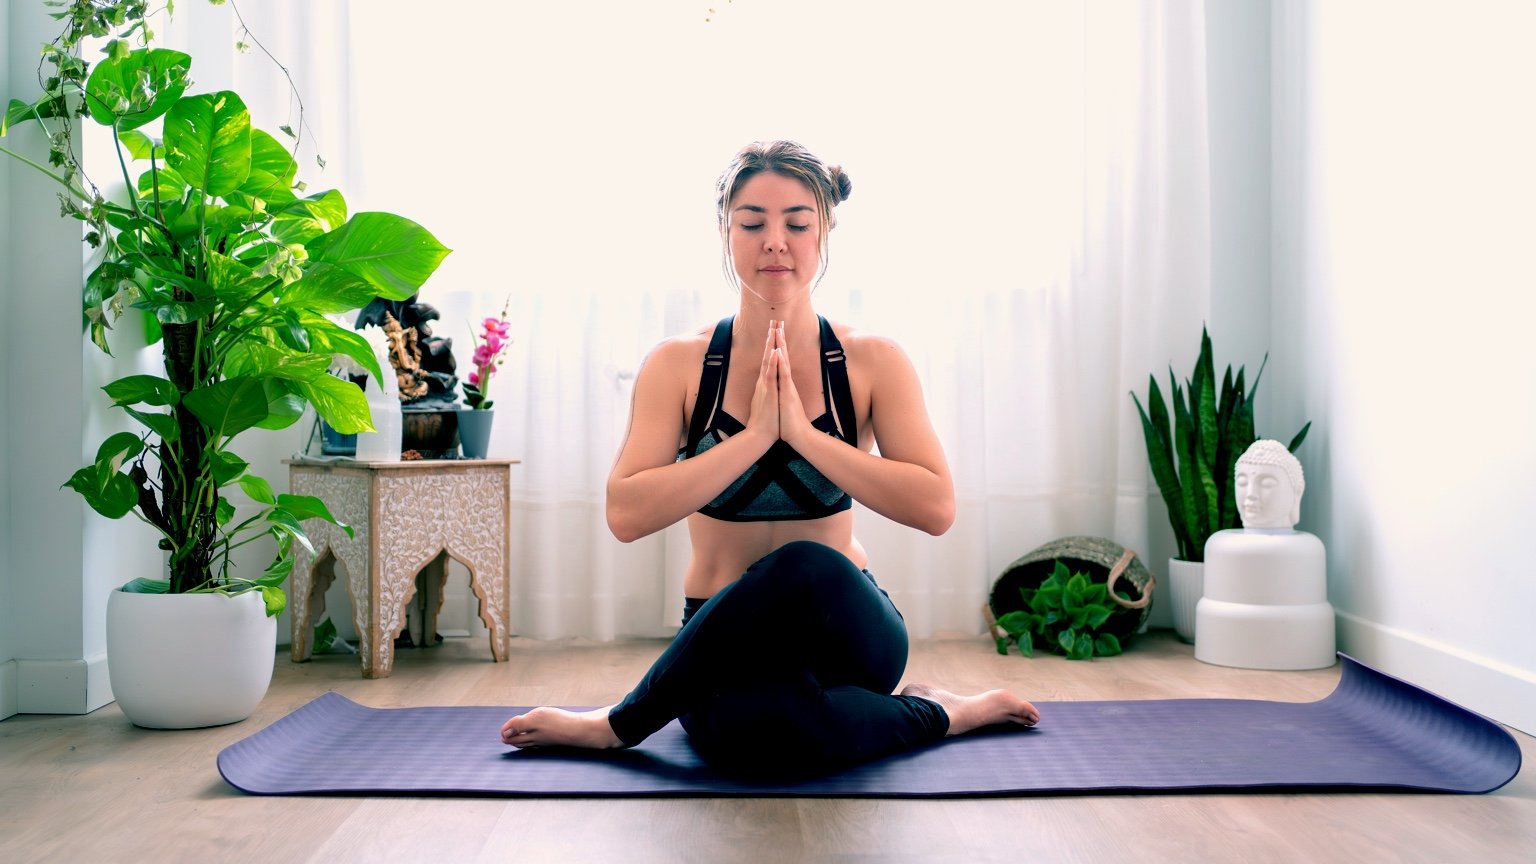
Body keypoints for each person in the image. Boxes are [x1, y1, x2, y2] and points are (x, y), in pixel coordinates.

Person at [500, 140, 1038, 778]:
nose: (774, 241)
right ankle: (947, 713)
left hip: (848, 633)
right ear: (726, 233)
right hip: (720, 645)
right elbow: (626, 513)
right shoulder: (680, 365)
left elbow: (936, 507)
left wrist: (808, 439)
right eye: (752, 223)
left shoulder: (871, 362)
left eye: (797, 224)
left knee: (805, 563)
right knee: (768, 738)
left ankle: (618, 725)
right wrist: (753, 438)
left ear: (824, 232)